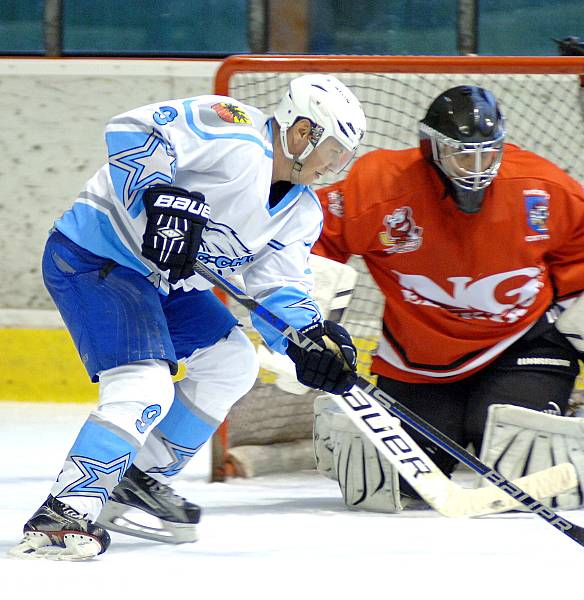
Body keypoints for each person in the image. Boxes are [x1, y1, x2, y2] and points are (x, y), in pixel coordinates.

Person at [9, 74, 366, 560]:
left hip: (166, 284)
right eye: (335, 150)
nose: (335, 166)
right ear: (303, 131)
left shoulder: (302, 211)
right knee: (143, 385)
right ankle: (61, 514)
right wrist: (159, 194)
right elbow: (133, 128)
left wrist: (307, 338)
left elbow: (277, 285)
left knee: (232, 363)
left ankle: (137, 476)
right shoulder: (234, 130)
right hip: (100, 255)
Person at [311, 85, 584, 513]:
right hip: (418, 357)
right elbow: (313, 230)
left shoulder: (541, 191)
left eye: (486, 154)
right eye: (461, 154)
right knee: (394, 480)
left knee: (521, 457)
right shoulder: (381, 189)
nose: (475, 167)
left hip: (522, 345)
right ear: (430, 148)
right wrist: (310, 316)